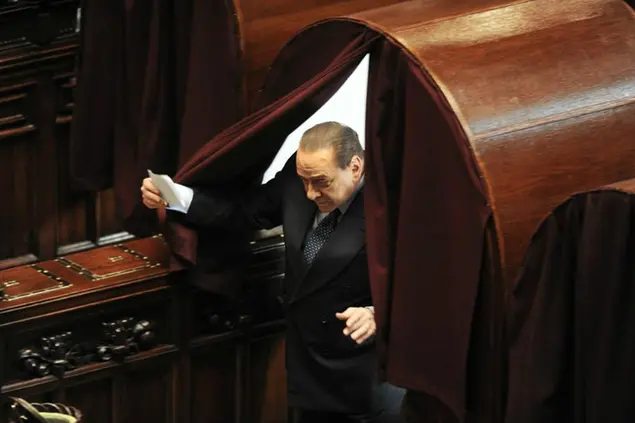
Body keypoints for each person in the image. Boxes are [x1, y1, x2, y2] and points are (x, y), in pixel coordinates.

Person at [141, 121, 387, 422]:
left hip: (362, 375)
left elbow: (425, 285)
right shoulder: (300, 179)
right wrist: (175, 195)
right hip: (306, 364)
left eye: (321, 182)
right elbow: (243, 212)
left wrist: (377, 313)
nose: (310, 193)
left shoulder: (390, 204)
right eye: (304, 180)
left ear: (356, 167)